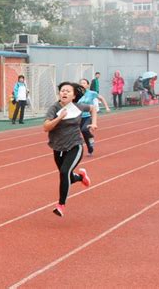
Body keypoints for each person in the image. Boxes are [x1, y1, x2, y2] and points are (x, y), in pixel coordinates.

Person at [43, 82, 97, 217]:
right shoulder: (54, 108)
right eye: (62, 91)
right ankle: (80, 177)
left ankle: (61, 205)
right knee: (66, 175)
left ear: (73, 96)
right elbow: (46, 127)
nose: (64, 93)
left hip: (75, 145)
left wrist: (94, 123)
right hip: (57, 147)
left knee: (64, 172)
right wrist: (59, 118)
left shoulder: (78, 107)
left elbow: (93, 108)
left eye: (68, 91)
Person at [78, 78, 110, 156]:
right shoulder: (76, 94)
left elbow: (101, 98)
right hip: (79, 117)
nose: (82, 84)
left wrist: (107, 107)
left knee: (85, 129)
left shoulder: (92, 93)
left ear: (88, 85)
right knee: (84, 134)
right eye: (81, 83)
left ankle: (91, 136)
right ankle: (90, 149)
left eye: (84, 83)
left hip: (89, 115)